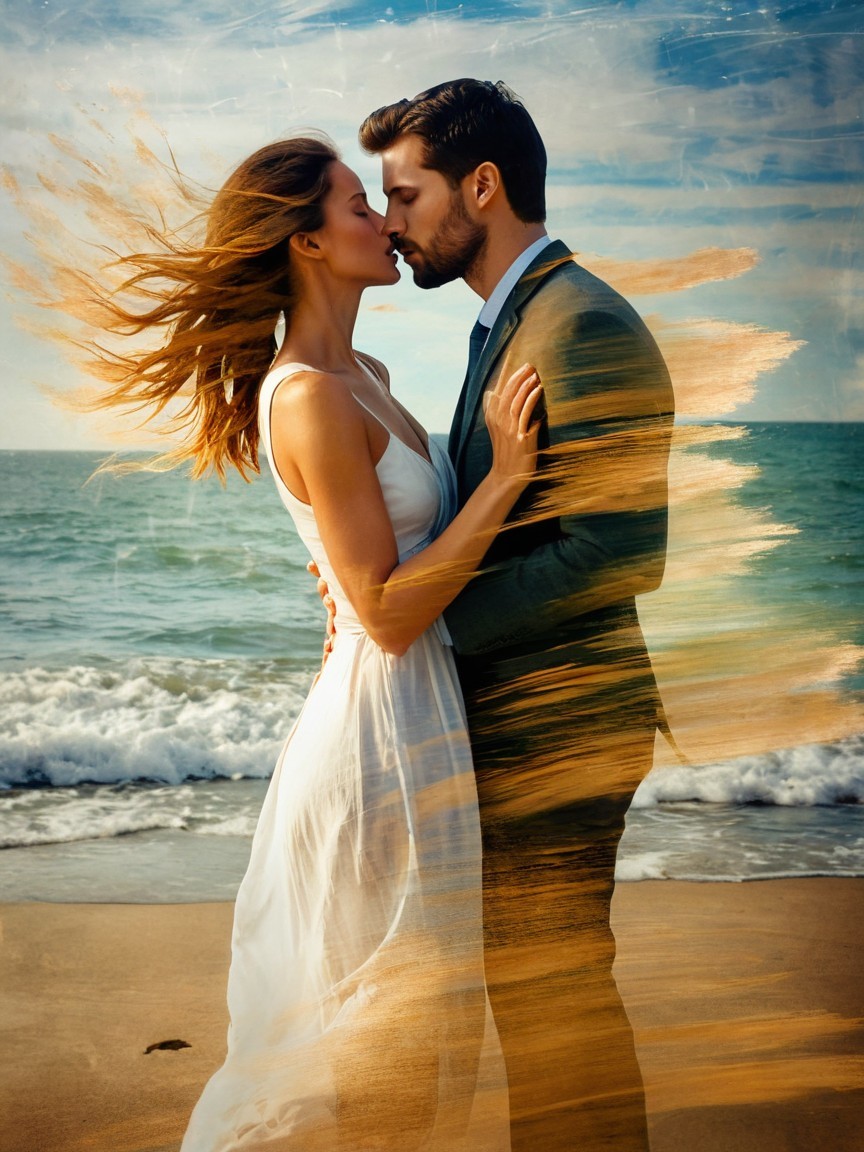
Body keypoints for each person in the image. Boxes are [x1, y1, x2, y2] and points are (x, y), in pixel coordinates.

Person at [74, 135, 543, 1149]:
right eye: (356, 204)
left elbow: (375, 567)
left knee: (405, 1057)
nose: (383, 218)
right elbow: (382, 610)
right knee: (374, 1058)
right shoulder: (310, 394)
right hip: (374, 747)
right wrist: (504, 480)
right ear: (309, 243)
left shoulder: (364, 371)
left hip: (419, 725)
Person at [350, 79, 675, 1150]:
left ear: (480, 187)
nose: (391, 224)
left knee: (556, 1003)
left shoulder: (579, 323)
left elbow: (619, 549)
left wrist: (427, 626)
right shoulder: (516, 319)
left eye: (404, 195)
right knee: (540, 1001)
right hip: (529, 723)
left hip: (562, 728)